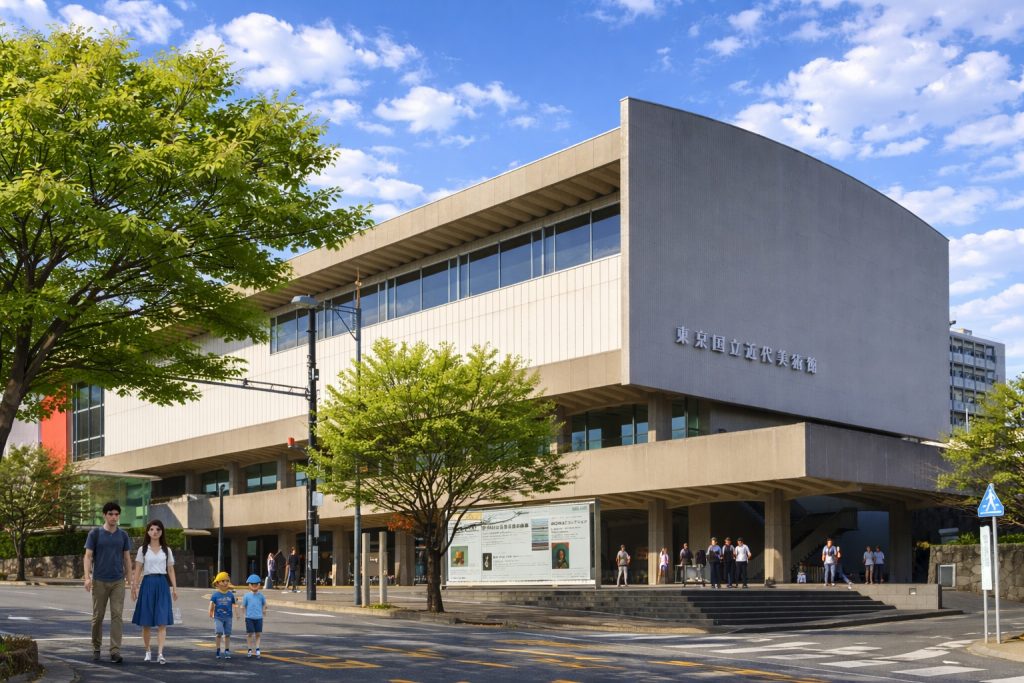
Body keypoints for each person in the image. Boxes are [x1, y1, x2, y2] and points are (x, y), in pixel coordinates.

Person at [83, 501, 134, 663]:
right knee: (98, 616)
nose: (114, 517)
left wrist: (130, 579)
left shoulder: (123, 535)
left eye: (116, 514)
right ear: (104, 515)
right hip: (99, 580)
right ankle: (96, 647)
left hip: (118, 581)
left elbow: (127, 558)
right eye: (110, 514)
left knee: (117, 615)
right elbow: (88, 556)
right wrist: (87, 577)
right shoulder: (95, 534)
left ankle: (115, 651)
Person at [130, 519, 178, 664]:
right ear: (148, 532)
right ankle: (148, 651)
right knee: (146, 621)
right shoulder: (143, 550)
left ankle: (160, 653)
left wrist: (175, 588)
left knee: (162, 621)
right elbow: (138, 569)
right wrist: (134, 587)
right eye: (151, 529)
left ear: (162, 532)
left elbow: (170, 569)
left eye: (158, 529)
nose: (155, 532)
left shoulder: (166, 550)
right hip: (147, 583)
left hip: (162, 584)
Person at [209, 571, 238, 659]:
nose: (225, 583)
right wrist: (210, 612)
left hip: (228, 617)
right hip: (218, 617)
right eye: (223, 581)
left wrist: (237, 613)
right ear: (217, 583)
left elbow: (234, 604)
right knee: (219, 633)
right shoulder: (215, 595)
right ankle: (218, 650)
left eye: (227, 581)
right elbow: (211, 604)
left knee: (227, 634)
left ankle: (227, 650)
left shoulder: (230, 594)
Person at [242, 574, 268, 659]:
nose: (254, 586)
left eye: (256, 584)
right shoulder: (246, 596)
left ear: (259, 585)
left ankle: (257, 648)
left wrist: (264, 610)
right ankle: (249, 649)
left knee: (258, 634)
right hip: (249, 617)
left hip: (259, 617)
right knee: (249, 634)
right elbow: (243, 606)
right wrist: (244, 615)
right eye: (252, 584)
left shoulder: (261, 595)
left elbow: (265, 604)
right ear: (249, 585)